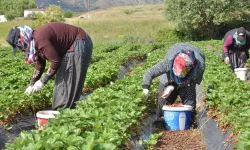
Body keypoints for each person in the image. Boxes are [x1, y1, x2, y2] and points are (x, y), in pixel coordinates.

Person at [6, 22, 93, 110]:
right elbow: (40, 63)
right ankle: (66, 110)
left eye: (20, 46)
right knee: (63, 83)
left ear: (22, 39)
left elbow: (55, 62)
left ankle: (67, 113)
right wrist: (31, 83)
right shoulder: (34, 41)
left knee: (68, 81)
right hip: (74, 44)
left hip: (79, 42)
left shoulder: (40, 39)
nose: (21, 50)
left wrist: (42, 81)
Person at [142, 43, 205, 124]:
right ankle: (162, 118)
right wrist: (146, 88)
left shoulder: (199, 67)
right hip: (170, 71)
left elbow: (192, 83)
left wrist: (178, 87)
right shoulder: (168, 62)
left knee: (190, 104)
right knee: (163, 99)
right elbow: (149, 73)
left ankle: (190, 121)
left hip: (189, 80)